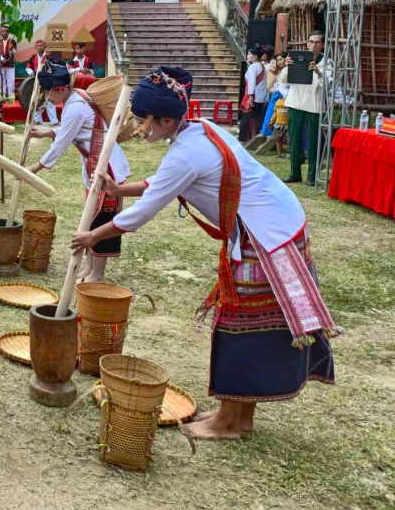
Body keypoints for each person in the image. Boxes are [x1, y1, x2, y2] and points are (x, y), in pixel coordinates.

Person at [72, 66, 338, 440]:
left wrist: (92, 235)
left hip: (266, 237)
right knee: (252, 326)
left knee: (239, 325)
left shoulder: (187, 152)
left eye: (142, 120)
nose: (137, 127)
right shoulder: (199, 130)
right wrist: (119, 190)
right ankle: (239, 415)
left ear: (167, 120)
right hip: (274, 227)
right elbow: (163, 181)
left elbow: (145, 210)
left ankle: (229, 422)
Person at [28, 63, 130, 283]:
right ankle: (89, 268)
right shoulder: (76, 98)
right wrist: (46, 133)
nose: (47, 97)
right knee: (91, 217)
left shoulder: (74, 107)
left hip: (106, 165)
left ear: (61, 88)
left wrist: (35, 168)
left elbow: (62, 142)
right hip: (96, 162)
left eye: (49, 92)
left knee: (103, 218)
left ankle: (97, 273)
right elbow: (71, 130)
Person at [279, 32, 327, 185]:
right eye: (311, 42)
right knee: (294, 139)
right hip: (295, 103)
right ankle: (295, 173)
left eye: (317, 42)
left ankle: (312, 176)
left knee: (313, 141)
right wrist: (287, 67)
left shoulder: (327, 62)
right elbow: (284, 80)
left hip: (314, 105)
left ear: (322, 45)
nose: (313, 45)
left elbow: (330, 84)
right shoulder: (297, 58)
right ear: (307, 43)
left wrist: (318, 72)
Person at [240, 45, 268, 141]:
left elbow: (251, 82)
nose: (247, 55)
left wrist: (250, 96)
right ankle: (254, 137)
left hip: (254, 96)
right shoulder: (262, 66)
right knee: (257, 117)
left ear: (255, 56)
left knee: (247, 117)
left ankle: (244, 137)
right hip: (261, 96)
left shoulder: (253, 67)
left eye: (249, 54)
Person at [0, 26, 16, 97]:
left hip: (10, 64)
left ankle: (10, 96)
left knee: (11, 81)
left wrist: (12, 48)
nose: (2, 33)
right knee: (0, 80)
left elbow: (14, 52)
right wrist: (2, 59)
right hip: (0, 64)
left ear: (7, 32)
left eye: (3, 31)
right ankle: (2, 96)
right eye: (1, 31)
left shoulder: (12, 41)